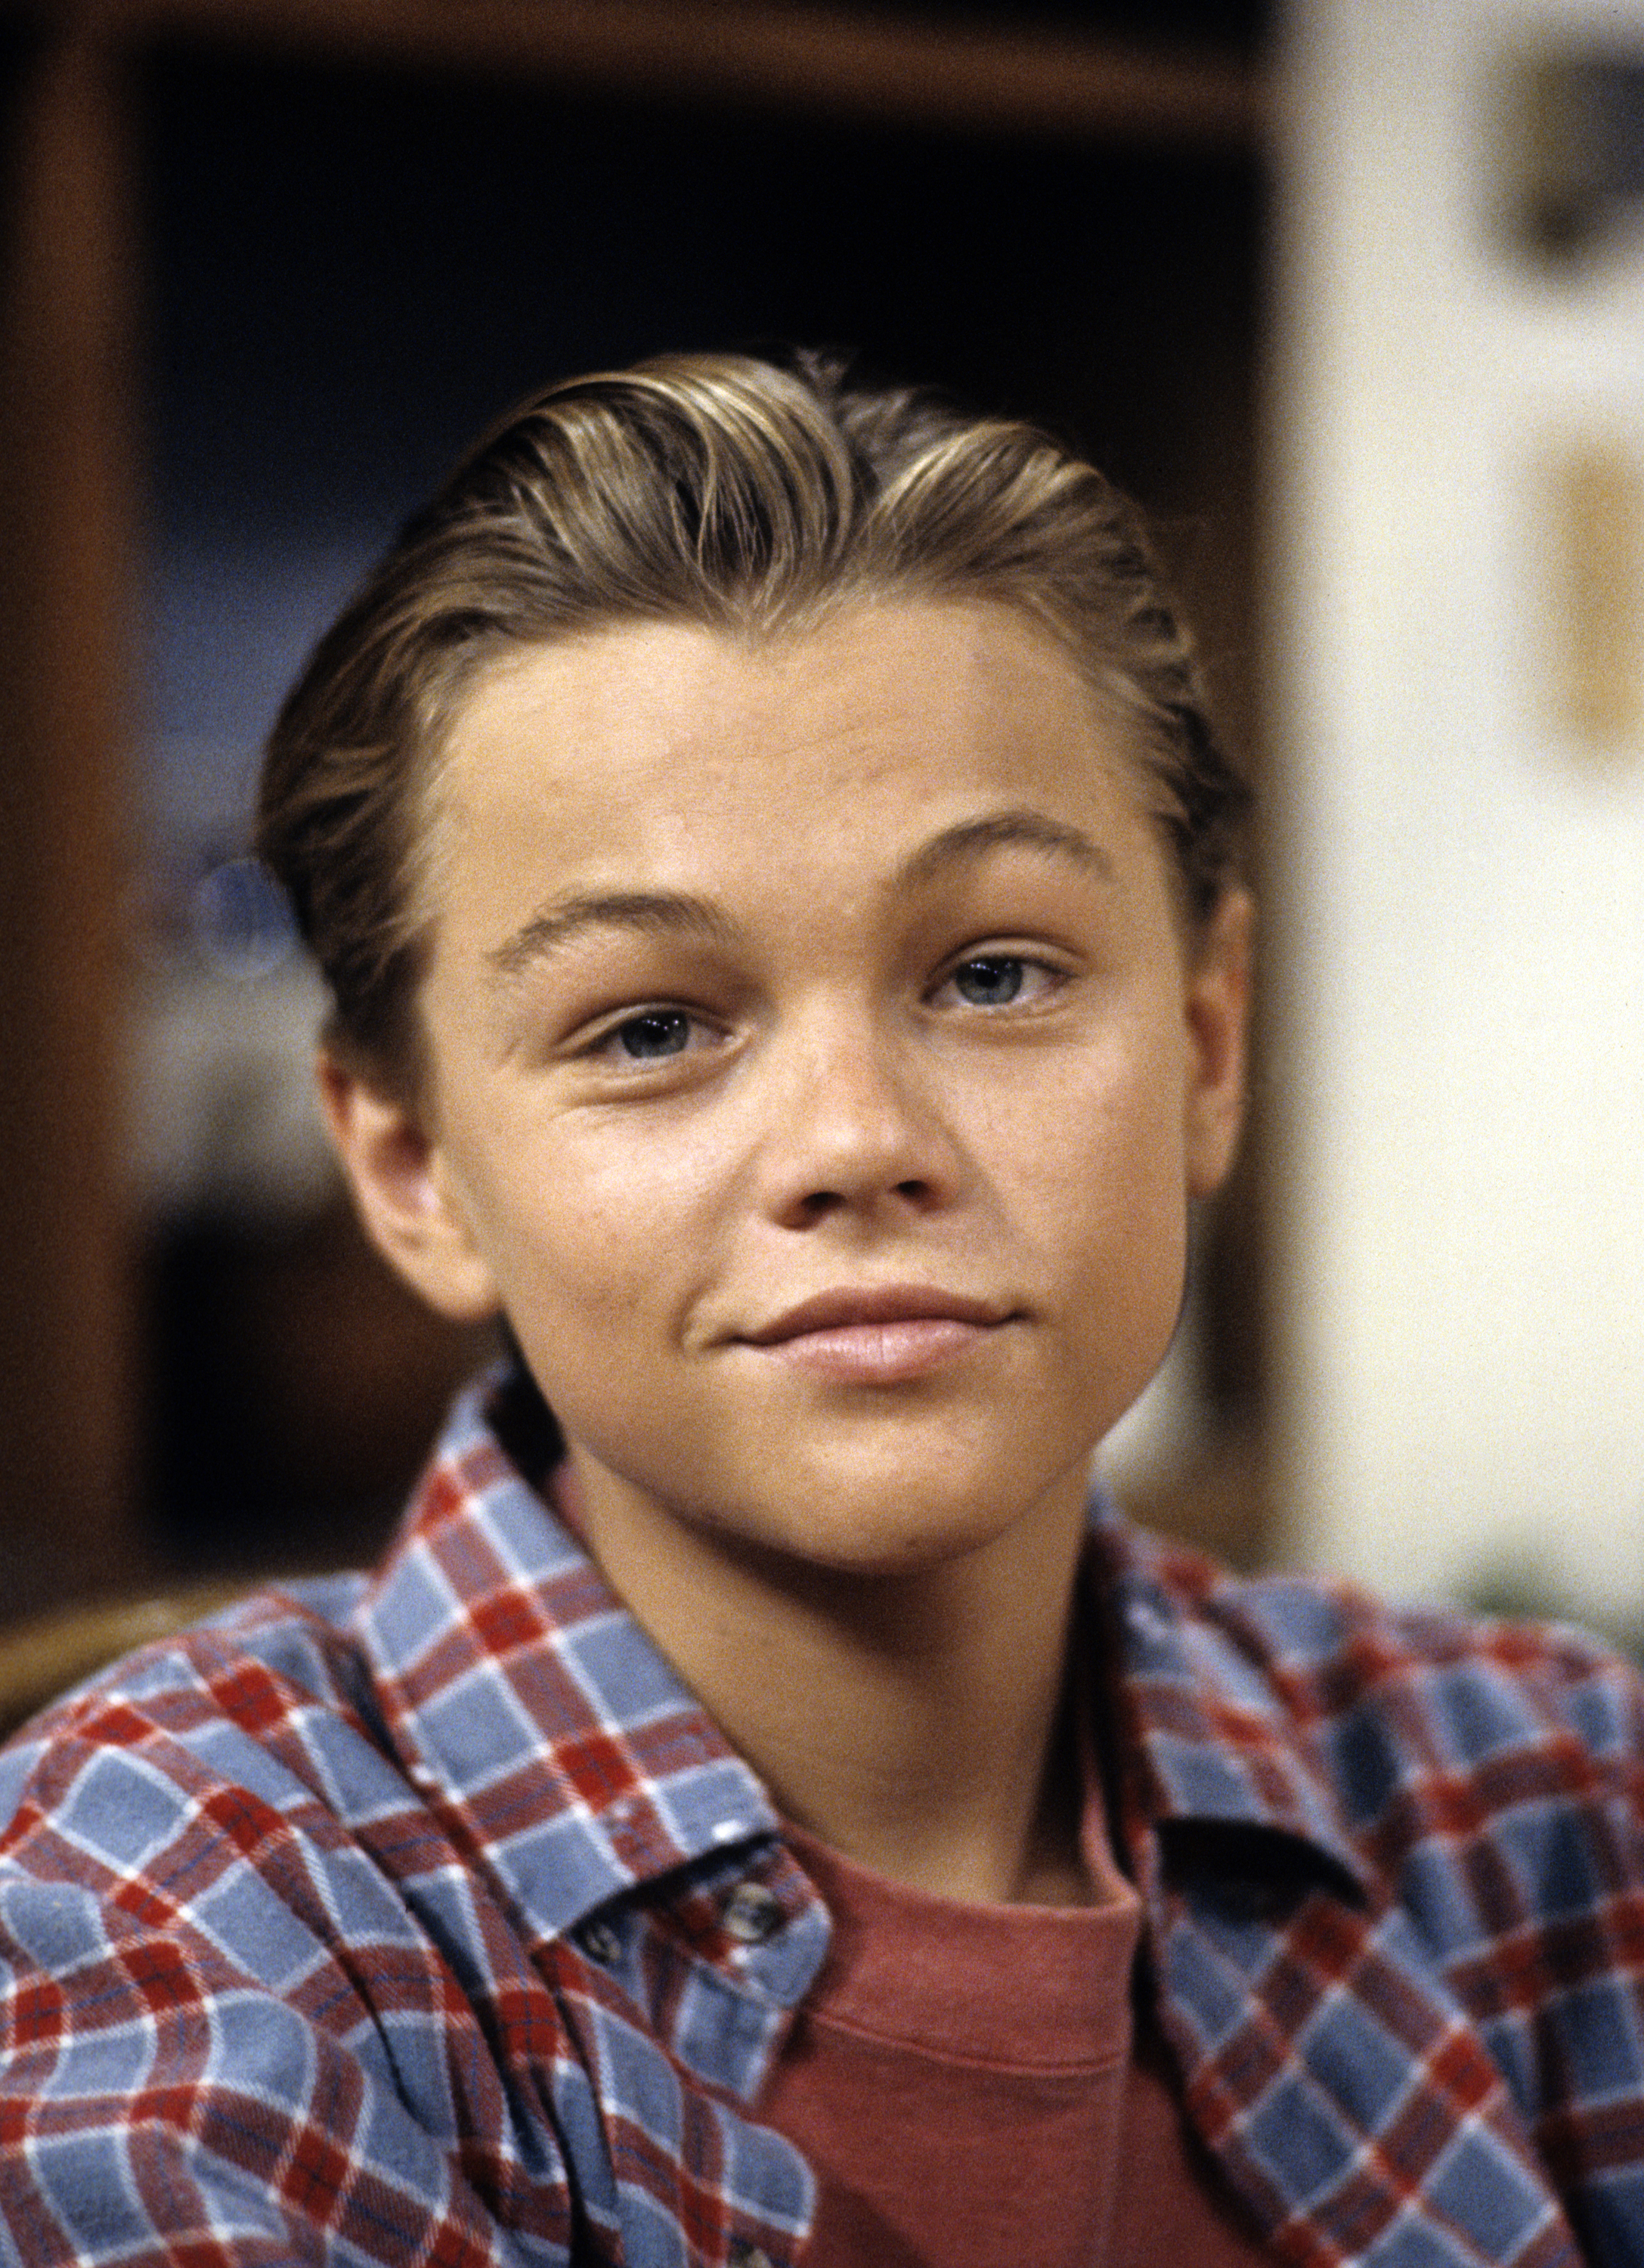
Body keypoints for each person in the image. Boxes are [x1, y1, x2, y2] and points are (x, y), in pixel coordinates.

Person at [1, 353, 1640, 2268]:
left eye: (996, 974)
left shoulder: (1542, 1804)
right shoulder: (181, 1913)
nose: (857, 1144)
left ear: (1205, 1040)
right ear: (411, 1165)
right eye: (651, 1027)